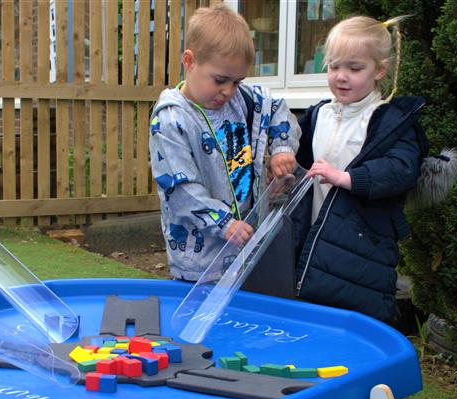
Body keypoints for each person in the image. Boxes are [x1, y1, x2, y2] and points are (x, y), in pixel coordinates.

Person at [292, 15, 430, 323]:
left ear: (379, 70)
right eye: (333, 66)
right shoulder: (318, 115)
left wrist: (347, 178)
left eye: (354, 69)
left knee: (353, 321)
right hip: (315, 237)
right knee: (311, 317)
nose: (341, 76)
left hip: (364, 245)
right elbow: (296, 156)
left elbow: (401, 168)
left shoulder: (388, 121)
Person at [150, 5, 301, 282]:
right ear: (189, 61)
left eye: (237, 81)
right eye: (220, 80)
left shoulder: (240, 99)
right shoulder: (171, 119)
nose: (228, 91)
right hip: (199, 255)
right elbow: (180, 189)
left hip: (244, 242)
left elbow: (276, 107)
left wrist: (282, 149)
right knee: (203, 314)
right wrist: (223, 223)